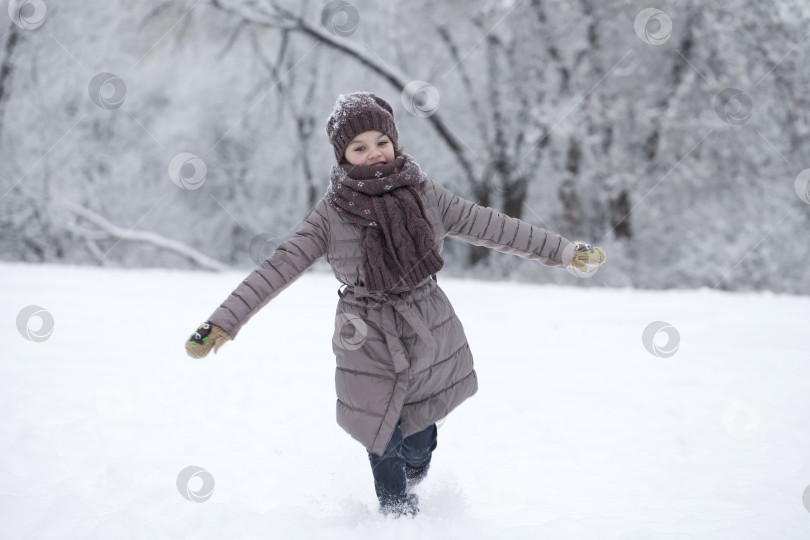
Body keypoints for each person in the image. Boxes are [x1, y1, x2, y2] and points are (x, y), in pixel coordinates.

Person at [184, 91, 606, 518]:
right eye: (359, 147)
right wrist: (223, 322)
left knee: (418, 443)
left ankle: (413, 475)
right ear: (343, 156)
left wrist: (565, 252)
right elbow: (279, 266)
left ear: (395, 141)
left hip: (426, 324)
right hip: (363, 332)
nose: (374, 154)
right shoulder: (331, 213)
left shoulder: (426, 195)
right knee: (381, 431)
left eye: (381, 142)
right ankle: (396, 517)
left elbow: (494, 226)